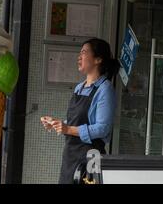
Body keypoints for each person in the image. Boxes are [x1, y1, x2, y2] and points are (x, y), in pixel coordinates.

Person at [41, 38, 120, 184]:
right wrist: (57, 124)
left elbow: (102, 128)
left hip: (91, 158)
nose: (79, 56)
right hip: (70, 157)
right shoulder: (79, 87)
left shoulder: (105, 89)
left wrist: (68, 129)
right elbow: (75, 122)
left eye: (84, 52)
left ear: (97, 59)